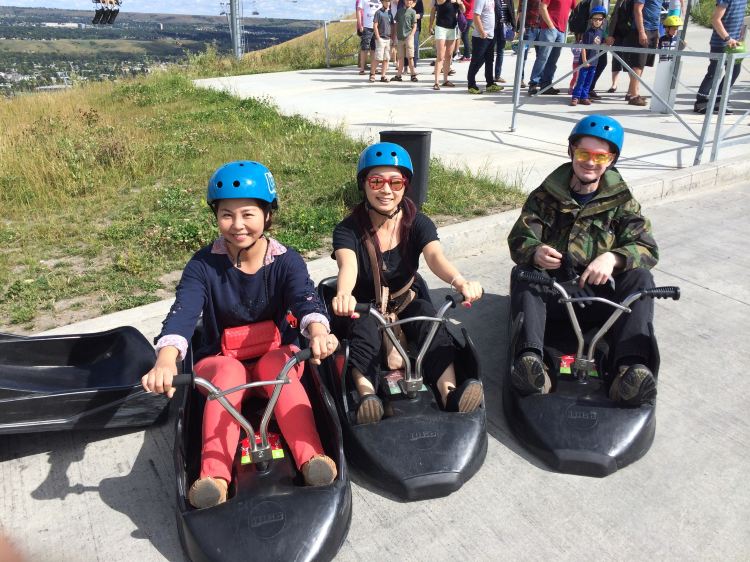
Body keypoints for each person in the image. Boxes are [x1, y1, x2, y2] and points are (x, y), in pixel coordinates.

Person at [141, 161, 339, 509]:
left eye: (248, 214)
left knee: (278, 367)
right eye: (226, 215)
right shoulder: (203, 265)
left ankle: (313, 459)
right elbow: (183, 313)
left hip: (275, 356)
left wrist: (319, 331)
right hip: (220, 362)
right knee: (230, 373)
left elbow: (305, 297)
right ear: (216, 216)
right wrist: (166, 360)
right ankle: (214, 478)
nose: (237, 225)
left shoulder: (286, 261)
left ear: (267, 215)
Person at [507, 116, 660, 407]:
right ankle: (531, 362)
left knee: (641, 278)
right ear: (571, 151)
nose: (590, 162)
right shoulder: (545, 196)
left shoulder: (622, 202)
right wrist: (535, 251)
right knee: (524, 273)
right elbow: (519, 238)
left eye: (600, 156)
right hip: (555, 295)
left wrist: (613, 258)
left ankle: (630, 370)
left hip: (601, 300)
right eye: (583, 153)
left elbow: (647, 248)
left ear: (611, 159)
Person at [331, 142, 485, 424]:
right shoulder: (348, 229)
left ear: (405, 185)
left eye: (395, 182)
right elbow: (348, 265)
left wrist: (460, 281)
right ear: (364, 184)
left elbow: (435, 256)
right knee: (364, 332)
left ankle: (450, 393)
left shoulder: (417, 222)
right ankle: (368, 398)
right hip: (364, 307)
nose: (386, 190)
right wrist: (343, 294)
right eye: (376, 181)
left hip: (404, 301)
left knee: (430, 320)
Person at [693, 0, 747, 114]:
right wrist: (727, 38)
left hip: (735, 43)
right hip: (721, 42)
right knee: (713, 73)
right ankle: (701, 102)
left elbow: (740, 19)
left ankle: (719, 100)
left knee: (734, 71)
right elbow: (715, 19)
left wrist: (740, 37)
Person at [527, 0, 577, 95]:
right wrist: (551, 26)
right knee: (543, 57)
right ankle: (533, 84)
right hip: (549, 29)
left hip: (561, 31)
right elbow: (542, 7)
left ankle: (546, 85)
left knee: (553, 60)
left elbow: (576, 9)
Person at [622, 0, 662, 106]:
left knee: (642, 63)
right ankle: (634, 96)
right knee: (638, 63)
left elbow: (657, 11)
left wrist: (657, 32)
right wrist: (641, 31)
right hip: (643, 28)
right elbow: (637, 9)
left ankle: (632, 92)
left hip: (653, 29)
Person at [570, 5, 607, 106]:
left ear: (603, 20)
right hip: (585, 62)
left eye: (600, 19)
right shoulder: (588, 33)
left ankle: (584, 97)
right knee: (581, 80)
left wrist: (607, 44)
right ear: (591, 20)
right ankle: (575, 97)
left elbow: (601, 44)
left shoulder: (601, 32)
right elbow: (583, 48)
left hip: (594, 62)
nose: (597, 21)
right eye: (595, 19)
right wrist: (585, 60)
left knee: (588, 81)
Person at [467, 0, 504, 93]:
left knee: (489, 61)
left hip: (490, 36)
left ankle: (490, 84)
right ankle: (471, 85)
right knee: (476, 61)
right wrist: (482, 32)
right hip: (480, 37)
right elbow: (476, 16)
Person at [430, 0, 466, 89]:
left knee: (449, 56)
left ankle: (445, 80)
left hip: (452, 28)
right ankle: (436, 82)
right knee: (440, 56)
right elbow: (437, 5)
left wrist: (461, 3)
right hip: (441, 28)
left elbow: (463, 10)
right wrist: (430, 26)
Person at [394, 0, 419, 81]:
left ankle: (413, 74)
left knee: (410, 57)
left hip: (408, 37)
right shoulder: (399, 11)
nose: (408, 2)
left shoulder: (413, 12)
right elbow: (396, 23)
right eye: (407, 0)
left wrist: (411, 36)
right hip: (400, 38)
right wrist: (396, 35)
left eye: (410, 0)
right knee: (400, 57)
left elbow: (414, 25)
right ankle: (398, 75)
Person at [493, 0, 517, 83]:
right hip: (493, 27)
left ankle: (497, 76)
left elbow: (512, 13)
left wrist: (514, 28)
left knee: (500, 51)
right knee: (488, 52)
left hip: (504, 28)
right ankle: (488, 75)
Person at [372, 0, 396, 82]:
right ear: (382, 2)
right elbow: (375, 25)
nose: (388, 3)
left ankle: (383, 76)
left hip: (388, 38)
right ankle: (372, 74)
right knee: (378, 58)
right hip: (381, 38)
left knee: (386, 58)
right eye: (386, 1)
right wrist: (378, 37)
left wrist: (392, 37)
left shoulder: (390, 13)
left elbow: (392, 26)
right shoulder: (378, 12)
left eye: (389, 1)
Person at [357, 0, 381, 75]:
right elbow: (359, 10)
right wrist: (360, 24)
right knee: (364, 48)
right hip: (367, 27)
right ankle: (362, 69)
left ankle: (374, 68)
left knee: (374, 49)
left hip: (377, 27)